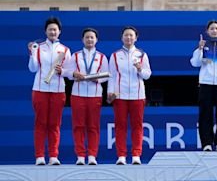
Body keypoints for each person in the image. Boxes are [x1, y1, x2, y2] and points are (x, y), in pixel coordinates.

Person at [28, 16, 71, 166]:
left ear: (59, 32)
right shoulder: (38, 48)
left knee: (54, 124)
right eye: (50, 29)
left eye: (55, 29)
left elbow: (70, 72)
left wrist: (62, 71)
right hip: (40, 89)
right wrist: (32, 54)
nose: (53, 32)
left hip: (58, 90)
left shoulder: (65, 50)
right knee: (40, 123)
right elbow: (33, 68)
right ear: (45, 31)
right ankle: (39, 156)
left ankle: (53, 156)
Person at [107, 26, 151, 165]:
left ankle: (136, 155)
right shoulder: (115, 55)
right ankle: (121, 155)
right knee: (120, 126)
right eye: (126, 35)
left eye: (131, 35)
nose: (129, 38)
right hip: (120, 95)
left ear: (136, 38)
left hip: (138, 95)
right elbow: (111, 76)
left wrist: (140, 69)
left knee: (137, 126)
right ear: (122, 38)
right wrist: (110, 92)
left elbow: (147, 75)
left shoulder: (142, 55)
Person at [190, 20, 217, 151]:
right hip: (206, 84)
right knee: (205, 115)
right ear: (207, 31)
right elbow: (195, 63)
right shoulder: (203, 46)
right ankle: (207, 144)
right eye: (212, 29)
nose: (214, 31)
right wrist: (199, 49)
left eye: (216, 28)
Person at [67, 28, 109, 165]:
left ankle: (92, 156)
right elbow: (67, 73)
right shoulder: (76, 56)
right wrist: (74, 74)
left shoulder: (102, 57)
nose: (89, 40)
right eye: (87, 37)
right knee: (78, 126)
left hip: (95, 95)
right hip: (77, 94)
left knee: (93, 126)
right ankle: (80, 155)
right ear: (82, 40)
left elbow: (107, 75)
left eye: (92, 37)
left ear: (96, 40)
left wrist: (97, 79)